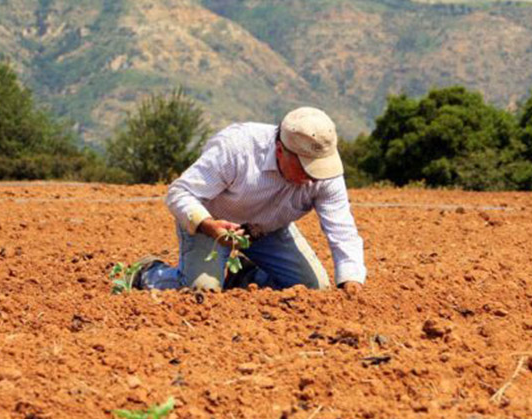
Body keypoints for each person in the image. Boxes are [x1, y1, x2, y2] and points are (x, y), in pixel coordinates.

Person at [136, 106, 365, 293]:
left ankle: (246, 276)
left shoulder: (325, 174)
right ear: (280, 150)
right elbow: (180, 192)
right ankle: (148, 272)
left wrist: (351, 279)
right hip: (213, 225)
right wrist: (208, 225)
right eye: (306, 167)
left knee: (313, 288)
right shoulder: (237, 149)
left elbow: (342, 229)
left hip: (267, 229)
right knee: (202, 289)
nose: (313, 177)